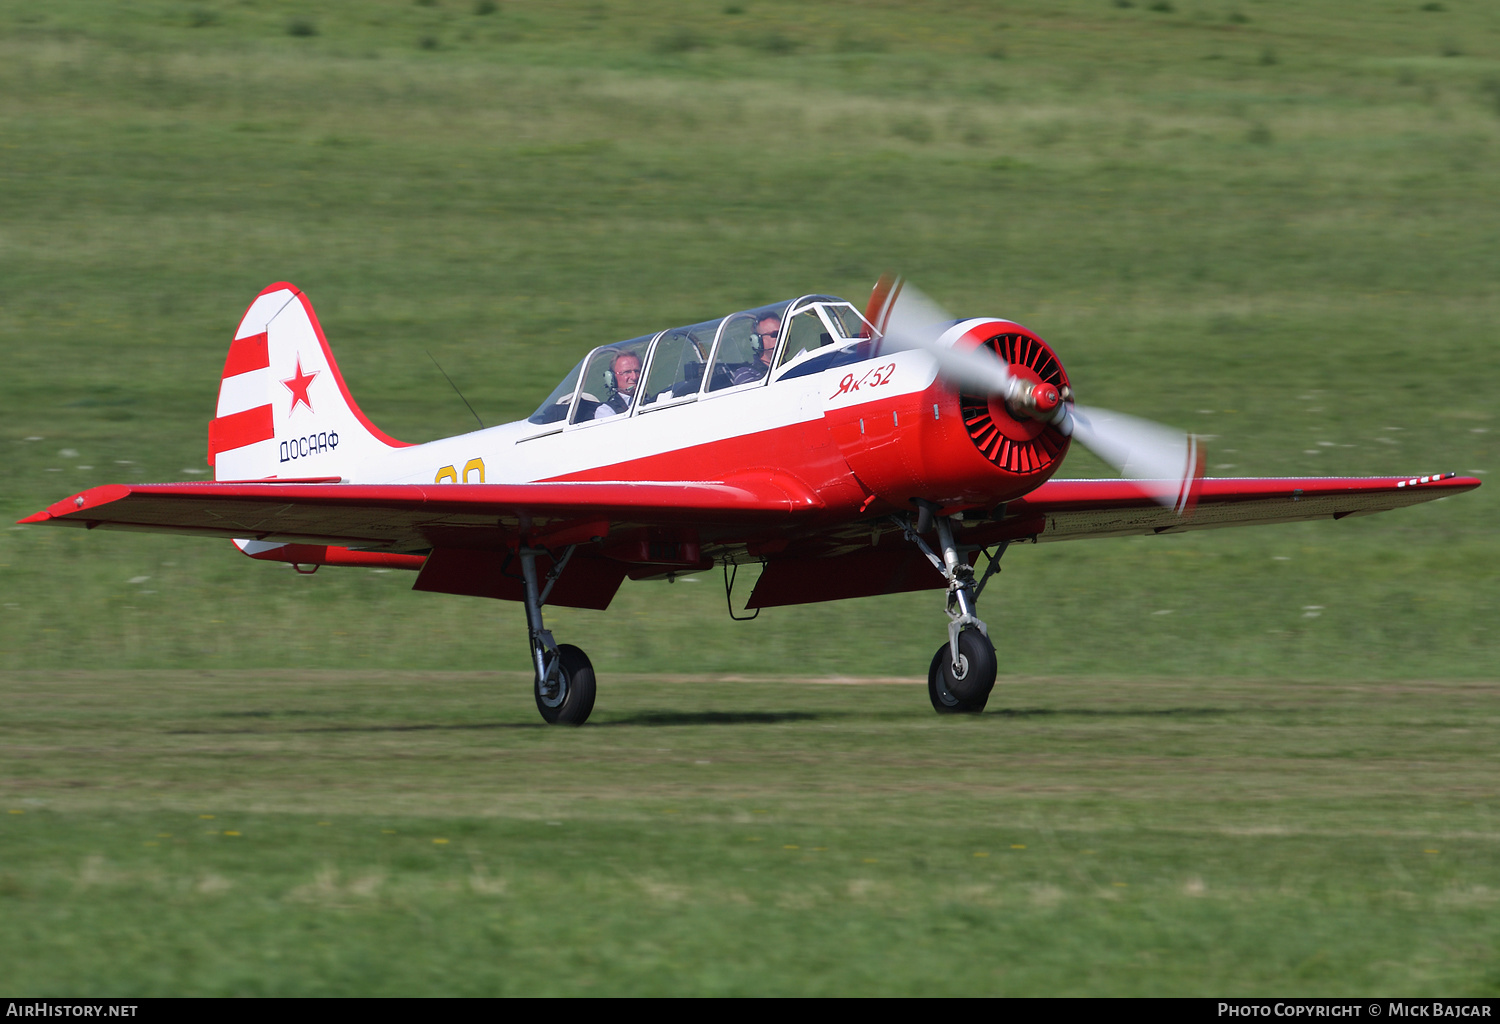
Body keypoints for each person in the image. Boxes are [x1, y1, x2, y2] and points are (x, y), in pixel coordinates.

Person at [730, 315, 780, 386]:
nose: (782, 338)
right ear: (757, 341)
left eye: (784, 333)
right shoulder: (745, 375)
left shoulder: (789, 366)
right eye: (775, 334)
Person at [594, 351, 641, 419]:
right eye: (627, 372)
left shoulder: (653, 400)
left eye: (637, 371)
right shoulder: (606, 411)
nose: (634, 377)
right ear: (612, 378)